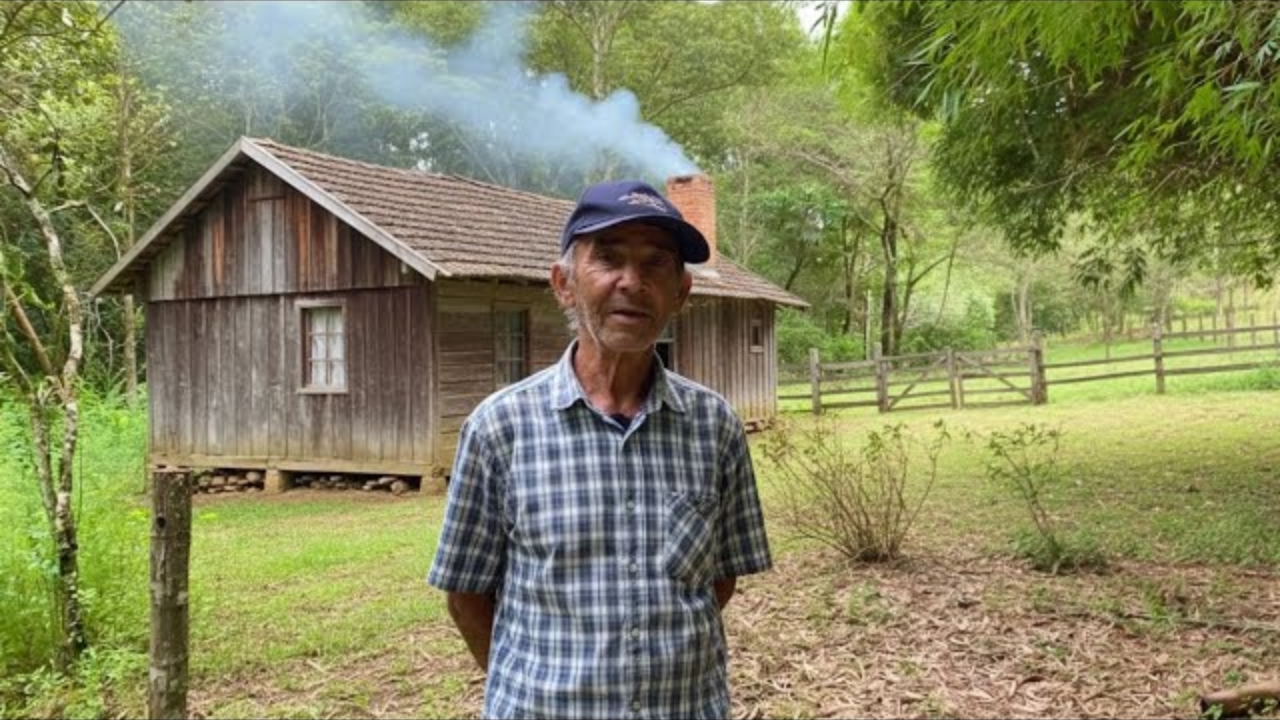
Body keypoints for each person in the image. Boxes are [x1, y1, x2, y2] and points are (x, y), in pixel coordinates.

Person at [427, 179, 772, 719]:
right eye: (607, 259)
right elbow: (466, 595)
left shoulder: (714, 425)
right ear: (563, 283)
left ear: (681, 293)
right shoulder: (499, 428)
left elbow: (719, 578)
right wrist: (537, 687)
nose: (631, 282)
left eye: (656, 264)